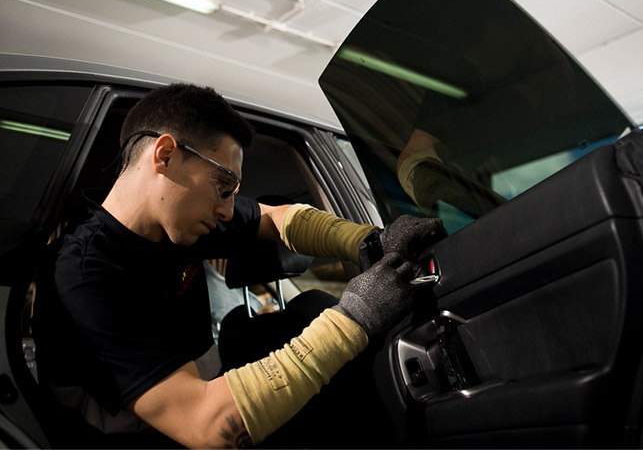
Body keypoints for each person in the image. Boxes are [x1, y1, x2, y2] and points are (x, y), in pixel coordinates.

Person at [33, 83, 446, 449]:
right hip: (152, 435)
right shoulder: (86, 275)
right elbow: (205, 426)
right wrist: (357, 316)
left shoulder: (176, 219)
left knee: (308, 310)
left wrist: (367, 240)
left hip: (203, 381)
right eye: (223, 185)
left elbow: (277, 217)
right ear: (165, 155)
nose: (228, 208)